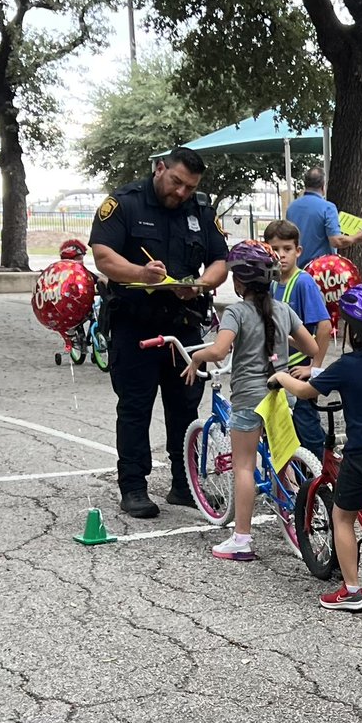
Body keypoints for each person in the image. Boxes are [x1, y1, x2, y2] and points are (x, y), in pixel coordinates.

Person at [89, 146, 229, 519]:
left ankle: (185, 485)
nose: (181, 192)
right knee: (135, 407)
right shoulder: (125, 204)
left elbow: (220, 260)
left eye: (189, 186)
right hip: (135, 323)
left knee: (184, 406)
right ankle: (133, 487)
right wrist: (140, 274)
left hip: (183, 324)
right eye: (176, 182)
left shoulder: (200, 209)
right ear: (159, 168)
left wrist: (200, 284)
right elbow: (103, 257)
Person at [270, 284, 362, 611]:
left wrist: (281, 378)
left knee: (342, 517)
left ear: (357, 333)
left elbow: (308, 391)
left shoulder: (348, 366)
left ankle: (352, 591)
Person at [181, 241, 318, 560]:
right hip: (282, 394)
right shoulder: (283, 310)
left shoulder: (237, 312)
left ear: (238, 280)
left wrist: (196, 358)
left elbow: (218, 351)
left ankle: (241, 539)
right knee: (282, 457)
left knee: (243, 466)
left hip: (250, 398)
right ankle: (295, 515)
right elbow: (311, 348)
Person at [263, 219, 331, 459]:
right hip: (277, 368)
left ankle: (325, 481)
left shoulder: (303, 282)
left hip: (297, 371)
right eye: (275, 249)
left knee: (307, 427)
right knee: (282, 429)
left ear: (298, 251)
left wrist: (314, 368)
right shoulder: (270, 283)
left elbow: (324, 326)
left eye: (287, 249)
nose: (281, 255)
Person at [287, 167, 362, 267]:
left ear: (305, 184)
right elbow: (336, 241)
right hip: (320, 271)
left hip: (296, 268)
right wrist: (356, 238)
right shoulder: (328, 208)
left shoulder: (291, 207)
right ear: (323, 186)